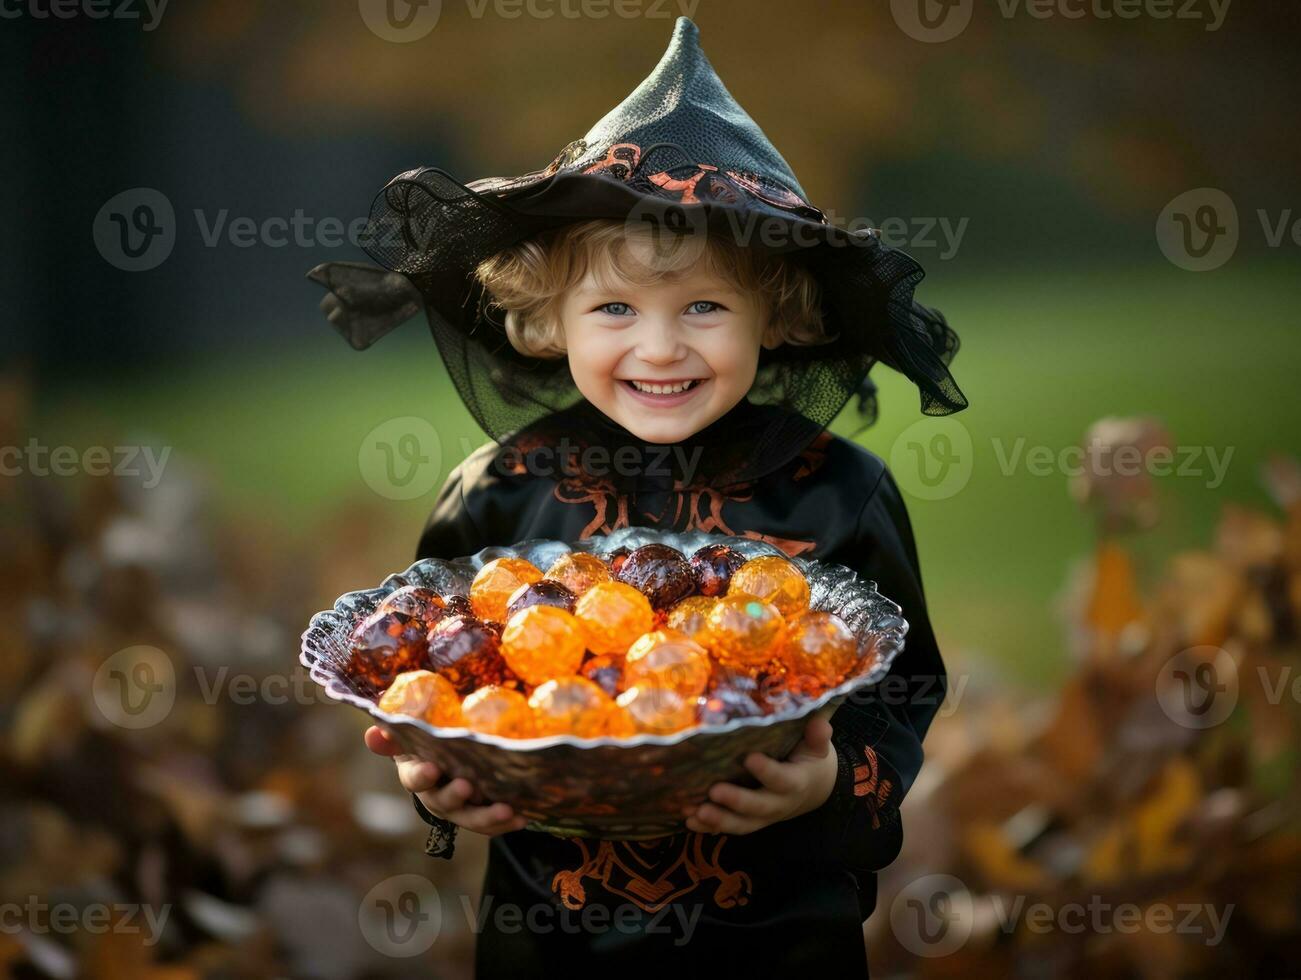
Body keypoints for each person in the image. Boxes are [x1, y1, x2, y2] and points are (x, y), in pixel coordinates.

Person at [310, 16, 966, 974]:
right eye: (614, 308)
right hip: (550, 937)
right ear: (548, 317)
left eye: (704, 305)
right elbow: (442, 673)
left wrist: (827, 786)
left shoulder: (838, 493)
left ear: (772, 312)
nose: (659, 348)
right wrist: (436, 775)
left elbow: (902, 693)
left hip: (774, 934)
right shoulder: (496, 493)